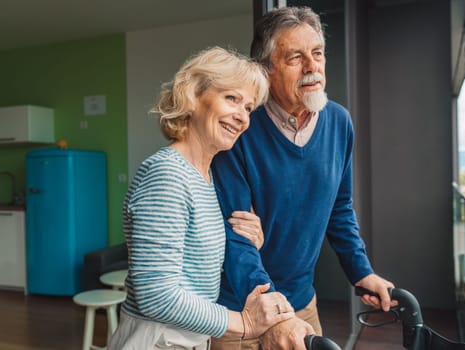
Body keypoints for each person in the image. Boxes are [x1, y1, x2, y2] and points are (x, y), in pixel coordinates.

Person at [210, 7, 396, 350]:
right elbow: (236, 237)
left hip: (301, 304)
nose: (312, 67)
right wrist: (275, 312)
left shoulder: (339, 123)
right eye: (295, 57)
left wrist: (361, 271)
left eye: (317, 53)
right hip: (241, 309)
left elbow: (339, 209)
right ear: (266, 70)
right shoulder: (240, 129)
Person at [107, 47, 295, 350]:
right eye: (231, 99)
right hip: (157, 339)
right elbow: (156, 295)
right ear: (193, 96)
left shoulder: (205, 179)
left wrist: (248, 242)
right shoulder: (167, 175)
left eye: (248, 107)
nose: (242, 117)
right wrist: (243, 323)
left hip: (186, 338)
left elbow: (191, 272)